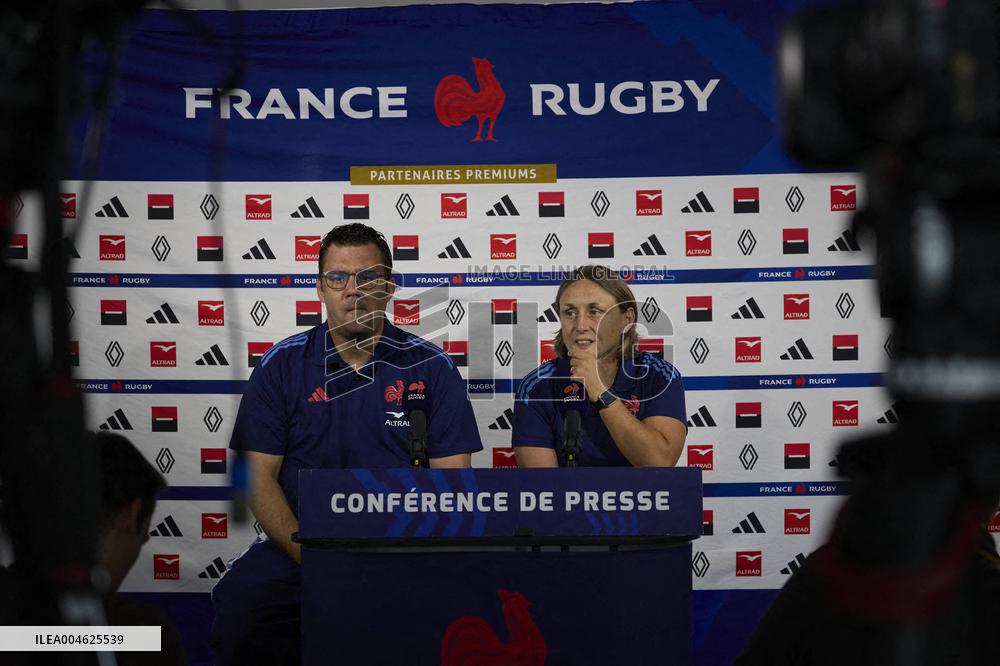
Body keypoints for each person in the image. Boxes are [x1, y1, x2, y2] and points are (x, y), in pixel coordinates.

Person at [211, 223, 483, 666]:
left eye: (368, 278)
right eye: (338, 278)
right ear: (320, 288)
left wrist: (400, 559)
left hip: (402, 552)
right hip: (299, 551)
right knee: (243, 606)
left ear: (390, 287)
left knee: (458, 611)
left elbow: (452, 482)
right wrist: (314, 560)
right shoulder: (281, 365)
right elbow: (255, 478)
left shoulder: (433, 368)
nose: (352, 291)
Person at [512, 265, 687, 467]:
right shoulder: (537, 386)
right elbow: (543, 490)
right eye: (569, 313)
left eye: (595, 312)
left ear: (627, 319)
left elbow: (660, 463)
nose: (580, 325)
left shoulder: (659, 377)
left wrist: (598, 390)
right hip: (567, 499)